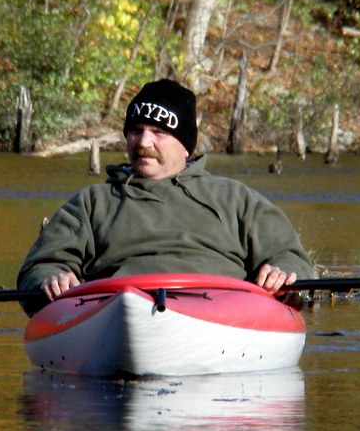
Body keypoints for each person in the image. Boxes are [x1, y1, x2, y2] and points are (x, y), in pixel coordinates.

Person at [17, 79, 316, 308]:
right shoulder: (90, 203)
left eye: (158, 133)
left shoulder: (237, 199)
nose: (143, 142)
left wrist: (284, 272)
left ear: (185, 145)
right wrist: (51, 277)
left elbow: (292, 259)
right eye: (136, 131)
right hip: (117, 313)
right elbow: (39, 267)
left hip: (220, 315)